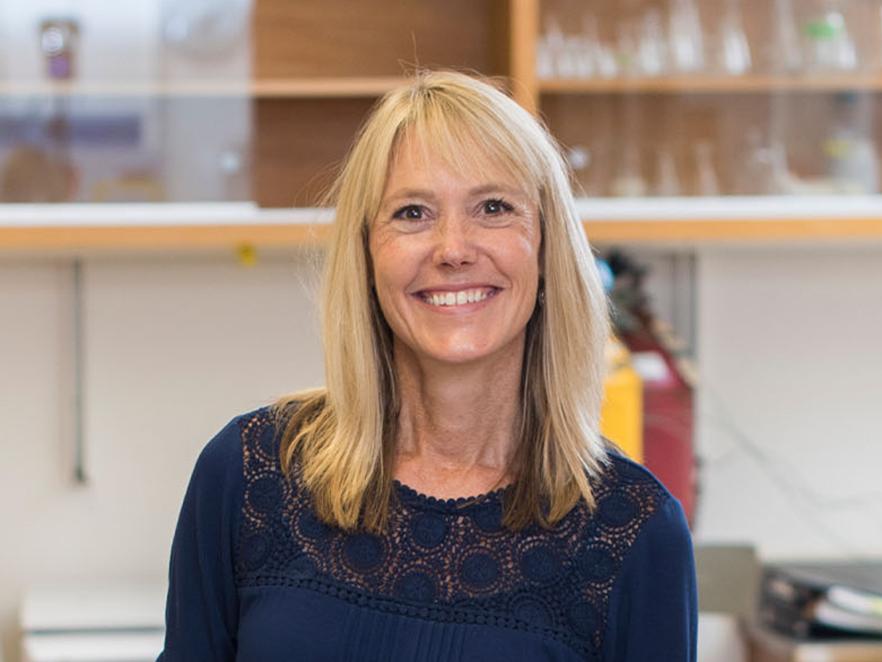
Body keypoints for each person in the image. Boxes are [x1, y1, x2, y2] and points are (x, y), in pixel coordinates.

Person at [158, 69, 697, 661]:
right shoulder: (250, 474)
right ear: (366, 254)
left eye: (494, 207)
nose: (453, 249)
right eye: (412, 213)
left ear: (547, 250)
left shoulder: (630, 531)